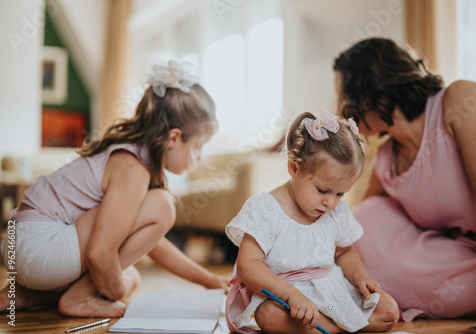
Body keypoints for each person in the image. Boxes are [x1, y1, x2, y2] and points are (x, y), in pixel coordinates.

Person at [0, 60, 229, 317]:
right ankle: (79, 297)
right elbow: (100, 253)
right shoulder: (133, 168)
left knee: (131, 276)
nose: (198, 158)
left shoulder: (128, 155)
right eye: (198, 147)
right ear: (174, 138)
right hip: (39, 245)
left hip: (22, 247)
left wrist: (209, 280)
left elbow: (152, 243)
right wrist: (112, 290)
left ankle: (31, 293)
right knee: (161, 207)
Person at [333, 37, 476, 332]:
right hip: (462, 257)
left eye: (344, 96)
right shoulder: (386, 158)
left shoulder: (459, 100)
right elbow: (351, 232)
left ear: (372, 89)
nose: (341, 110)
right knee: (358, 223)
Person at [225, 110, 400, 334]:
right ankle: (348, 325)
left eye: (340, 194)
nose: (330, 203)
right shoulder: (265, 210)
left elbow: (344, 253)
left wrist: (361, 278)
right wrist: (291, 295)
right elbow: (248, 266)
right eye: (323, 190)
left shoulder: (334, 211)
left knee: (390, 307)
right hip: (285, 296)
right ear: (294, 167)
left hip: (331, 288)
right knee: (268, 316)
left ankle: (333, 325)